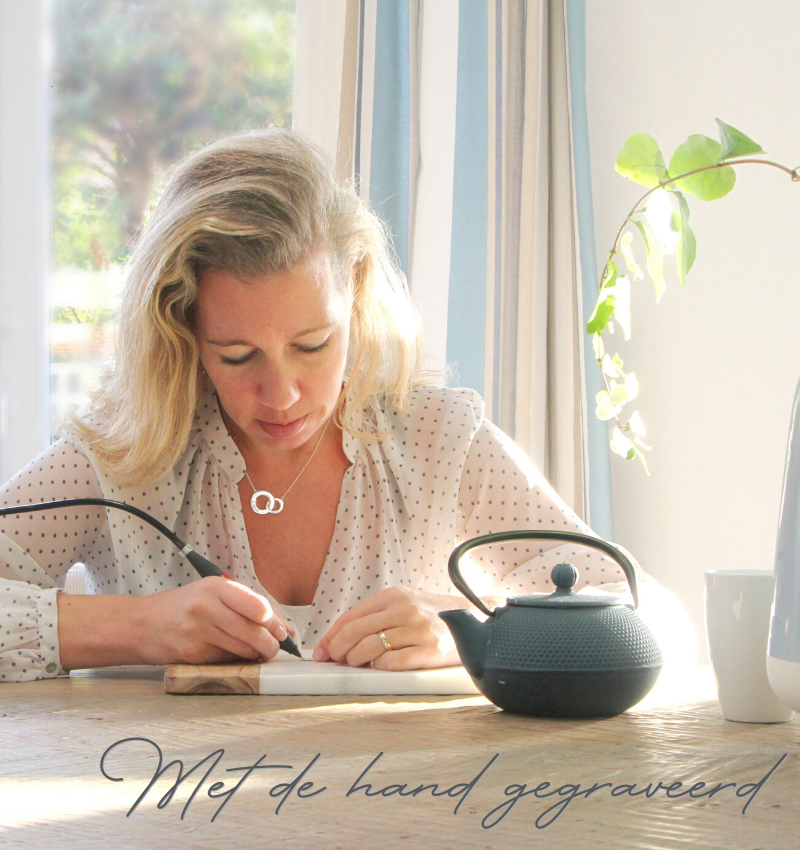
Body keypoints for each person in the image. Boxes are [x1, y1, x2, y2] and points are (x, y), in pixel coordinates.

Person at [0, 128, 693, 683]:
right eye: (237, 356)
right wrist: (137, 627)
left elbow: (655, 619)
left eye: (312, 345)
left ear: (356, 295)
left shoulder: (436, 439)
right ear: (183, 332)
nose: (282, 394)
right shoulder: (125, 455)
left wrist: (471, 629)